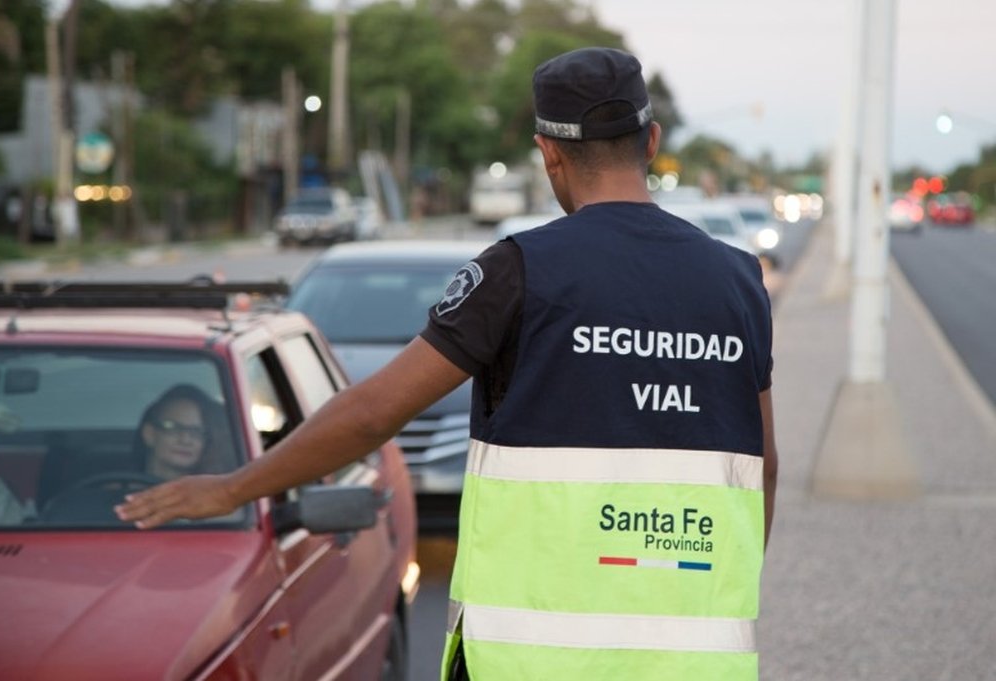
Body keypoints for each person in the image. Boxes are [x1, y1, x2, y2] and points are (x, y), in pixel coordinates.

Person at [117, 46, 778, 680]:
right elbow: (764, 466)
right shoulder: (738, 281)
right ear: (652, 141)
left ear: (549, 153)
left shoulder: (521, 270)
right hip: (697, 659)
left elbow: (374, 412)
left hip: (532, 664)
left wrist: (232, 487)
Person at [133, 384, 216, 481]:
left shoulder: (217, 495)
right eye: (173, 428)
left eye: (196, 431)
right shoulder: (119, 491)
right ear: (149, 434)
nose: (185, 440)